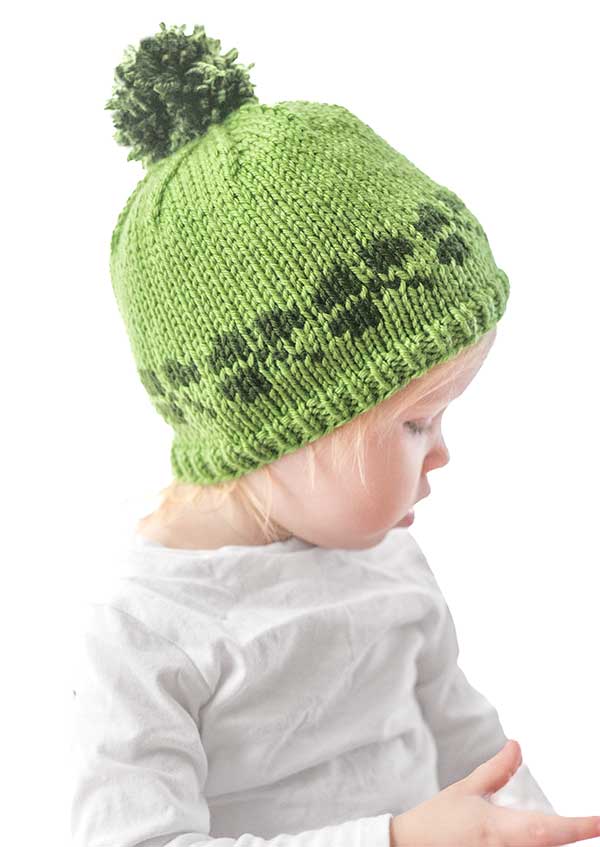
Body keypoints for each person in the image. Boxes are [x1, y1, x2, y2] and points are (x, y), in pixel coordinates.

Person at [69, 21, 600, 847]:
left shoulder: (384, 552)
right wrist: (391, 839)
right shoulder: (142, 630)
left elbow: (466, 739)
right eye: (417, 423)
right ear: (275, 428)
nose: (444, 454)